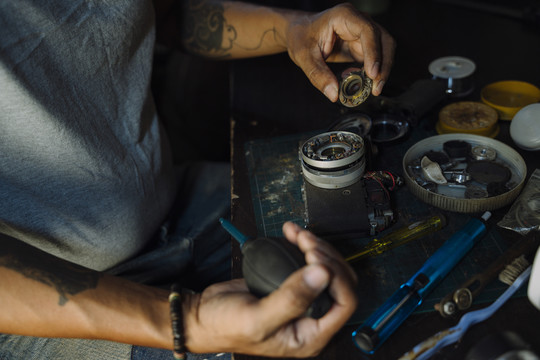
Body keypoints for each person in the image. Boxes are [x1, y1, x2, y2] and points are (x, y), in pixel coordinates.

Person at [0, 1, 395, 359]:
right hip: (39, 303)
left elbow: (167, 16)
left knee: (357, 247)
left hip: (171, 203)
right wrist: (189, 319)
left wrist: (295, 30)